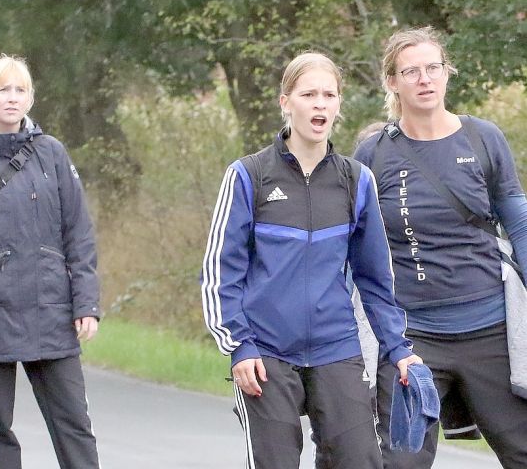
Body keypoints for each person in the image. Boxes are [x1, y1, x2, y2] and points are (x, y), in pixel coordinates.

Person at [201, 53, 421, 468]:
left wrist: (397, 346)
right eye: (308, 94)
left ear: (339, 105)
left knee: (361, 460)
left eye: (329, 95)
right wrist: (239, 345)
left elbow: (375, 280)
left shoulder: (357, 180)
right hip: (264, 352)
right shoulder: (248, 175)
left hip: (335, 347)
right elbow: (220, 275)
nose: (320, 104)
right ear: (286, 102)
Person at [353, 26, 527, 468]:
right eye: (411, 71)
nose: (425, 79)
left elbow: (519, 224)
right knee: (401, 462)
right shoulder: (373, 155)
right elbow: (348, 246)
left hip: (491, 332)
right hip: (411, 341)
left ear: (447, 74)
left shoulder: (483, 138)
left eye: (433, 68)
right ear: (392, 81)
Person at [0, 54, 102, 469]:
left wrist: (87, 304)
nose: (11, 98)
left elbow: (78, 233)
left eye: (20, 90)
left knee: (74, 426)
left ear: (31, 98)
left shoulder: (53, 154)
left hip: (52, 311)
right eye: (3, 89)